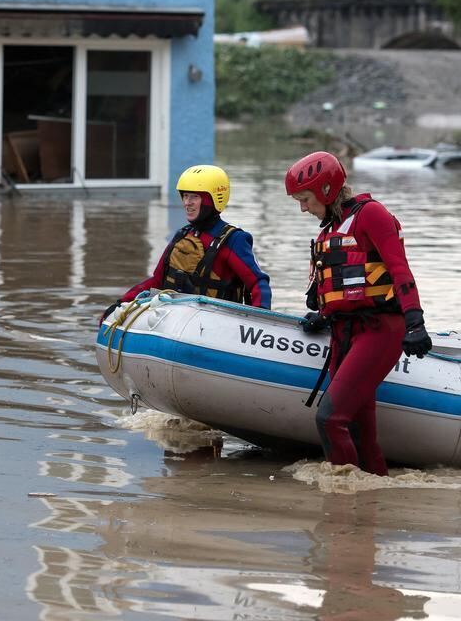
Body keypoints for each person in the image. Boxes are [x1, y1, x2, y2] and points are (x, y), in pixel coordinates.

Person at [286, 150, 432, 476]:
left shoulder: (371, 215)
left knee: (330, 418)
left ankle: (342, 496)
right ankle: (368, 505)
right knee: (358, 430)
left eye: (305, 199)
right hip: (344, 333)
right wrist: (323, 316)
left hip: (380, 331)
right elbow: (343, 288)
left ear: (326, 190)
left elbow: (399, 269)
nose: (302, 208)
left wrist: (415, 320)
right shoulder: (329, 231)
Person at [112, 164, 272, 310]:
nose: (187, 203)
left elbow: (258, 284)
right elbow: (158, 281)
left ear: (213, 199)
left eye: (194, 197)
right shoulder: (182, 235)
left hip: (217, 322)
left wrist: (261, 317)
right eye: (185, 196)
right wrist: (122, 303)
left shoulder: (234, 240)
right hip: (177, 319)